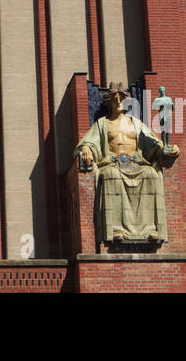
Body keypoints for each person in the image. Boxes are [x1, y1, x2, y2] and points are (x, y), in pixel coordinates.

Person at [73, 82, 179, 248]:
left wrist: (166, 148)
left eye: (122, 98)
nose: (120, 103)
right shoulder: (102, 124)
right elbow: (89, 142)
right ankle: (115, 230)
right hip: (113, 164)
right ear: (110, 103)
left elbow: (152, 143)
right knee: (110, 176)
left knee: (150, 175)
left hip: (136, 163)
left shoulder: (135, 123)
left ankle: (150, 229)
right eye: (116, 99)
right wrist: (86, 148)